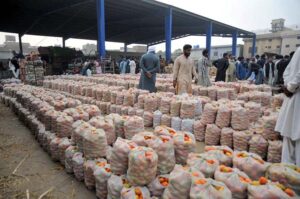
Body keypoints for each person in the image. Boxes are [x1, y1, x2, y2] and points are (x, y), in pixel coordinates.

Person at [275, 47, 300, 166]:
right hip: (295, 95)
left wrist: (287, 86)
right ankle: (291, 175)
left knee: (290, 134)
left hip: (292, 95)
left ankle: (288, 173)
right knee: (294, 135)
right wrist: (290, 87)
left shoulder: (298, 50)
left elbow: (287, 72)